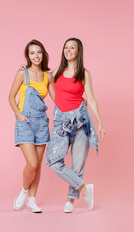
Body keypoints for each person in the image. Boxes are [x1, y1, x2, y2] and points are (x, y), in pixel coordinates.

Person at [46, 38, 105, 213]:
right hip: (61, 122)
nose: (68, 50)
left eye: (72, 47)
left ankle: (70, 201)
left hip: (81, 122)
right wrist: (25, 68)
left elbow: (92, 99)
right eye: (66, 47)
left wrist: (100, 122)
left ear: (78, 51)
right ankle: (84, 188)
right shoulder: (56, 72)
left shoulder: (84, 74)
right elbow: (42, 78)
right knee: (54, 162)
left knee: (77, 164)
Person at [8, 39, 55, 213]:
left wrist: (79, 101)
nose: (36, 56)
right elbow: (10, 97)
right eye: (32, 53)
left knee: (39, 163)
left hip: (41, 122)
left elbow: (57, 99)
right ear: (28, 56)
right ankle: (24, 190)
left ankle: (32, 200)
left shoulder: (48, 76)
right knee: (32, 164)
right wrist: (19, 116)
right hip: (25, 123)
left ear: (43, 54)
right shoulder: (22, 73)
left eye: (39, 52)